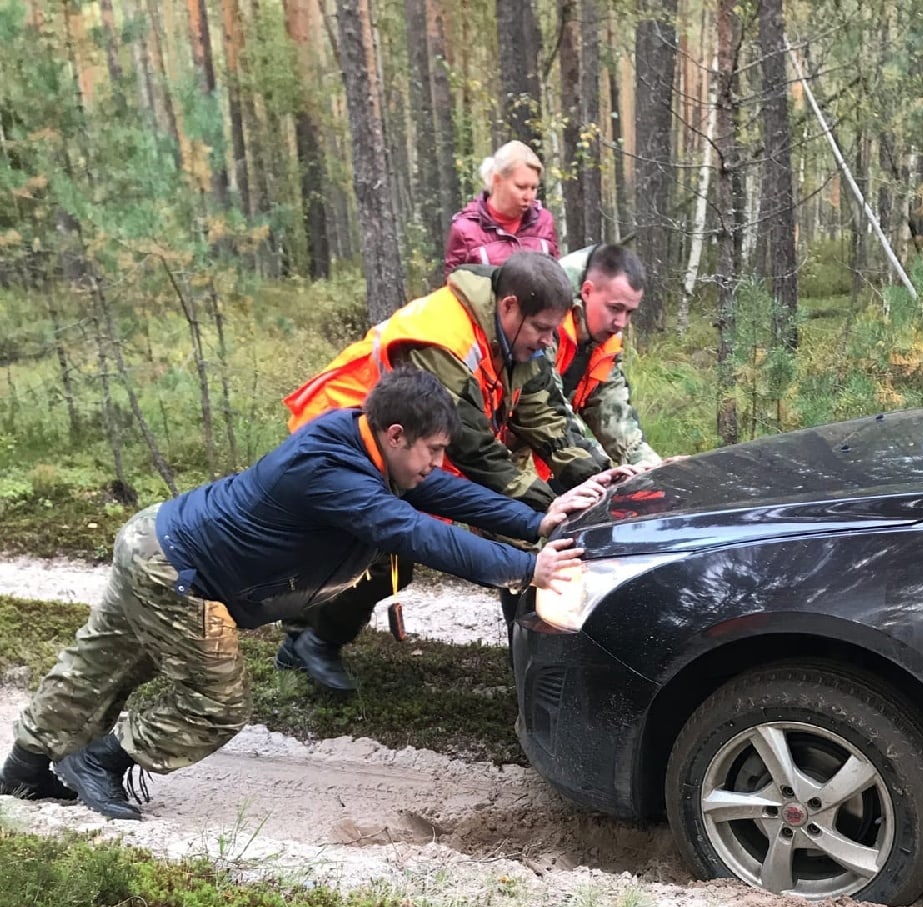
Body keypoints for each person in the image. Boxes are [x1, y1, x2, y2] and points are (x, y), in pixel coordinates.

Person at [0, 370, 594, 820]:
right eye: (432, 451)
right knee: (217, 702)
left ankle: (23, 770)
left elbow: (438, 495)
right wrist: (526, 569)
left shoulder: (363, 444)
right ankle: (101, 761)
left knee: (99, 663)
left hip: (156, 539)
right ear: (394, 434)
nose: (438, 464)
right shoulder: (332, 470)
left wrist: (534, 521)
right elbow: (414, 532)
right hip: (180, 574)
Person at [280, 252, 615, 693]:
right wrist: (544, 506)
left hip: (398, 450)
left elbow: (547, 418)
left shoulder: (517, 334)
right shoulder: (444, 340)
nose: (549, 342)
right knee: (377, 555)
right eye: (541, 329)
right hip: (339, 440)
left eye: (554, 330)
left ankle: (307, 636)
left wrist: (604, 480)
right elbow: (475, 450)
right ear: (510, 306)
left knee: (395, 553)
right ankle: (307, 641)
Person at [545, 243, 661, 473]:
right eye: (615, 308)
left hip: (546, 462)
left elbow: (609, 405)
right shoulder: (545, 323)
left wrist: (651, 467)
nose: (621, 323)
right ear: (587, 291)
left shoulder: (602, 339)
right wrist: (602, 470)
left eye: (629, 312)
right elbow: (548, 412)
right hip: (497, 463)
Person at [444, 141, 559, 277]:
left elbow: (558, 281)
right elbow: (452, 290)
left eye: (533, 188)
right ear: (497, 180)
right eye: (521, 187)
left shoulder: (544, 222)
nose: (529, 196)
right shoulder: (465, 230)